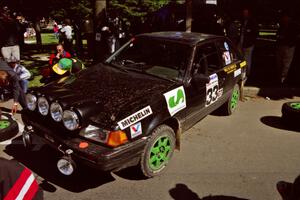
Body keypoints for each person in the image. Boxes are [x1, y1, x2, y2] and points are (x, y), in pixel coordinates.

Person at [276, 12, 299, 84]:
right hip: (282, 45)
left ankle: (283, 77)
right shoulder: (282, 25)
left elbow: (295, 36)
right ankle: (281, 75)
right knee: (280, 61)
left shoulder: (294, 26)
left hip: (289, 46)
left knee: (286, 62)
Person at [238, 8, 258, 77]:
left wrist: (251, 42)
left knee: (247, 59)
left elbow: (255, 33)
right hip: (242, 43)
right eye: (244, 13)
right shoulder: (243, 21)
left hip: (248, 45)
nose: (244, 15)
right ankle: (243, 72)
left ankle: (247, 74)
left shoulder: (252, 22)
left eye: (246, 13)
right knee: (241, 58)